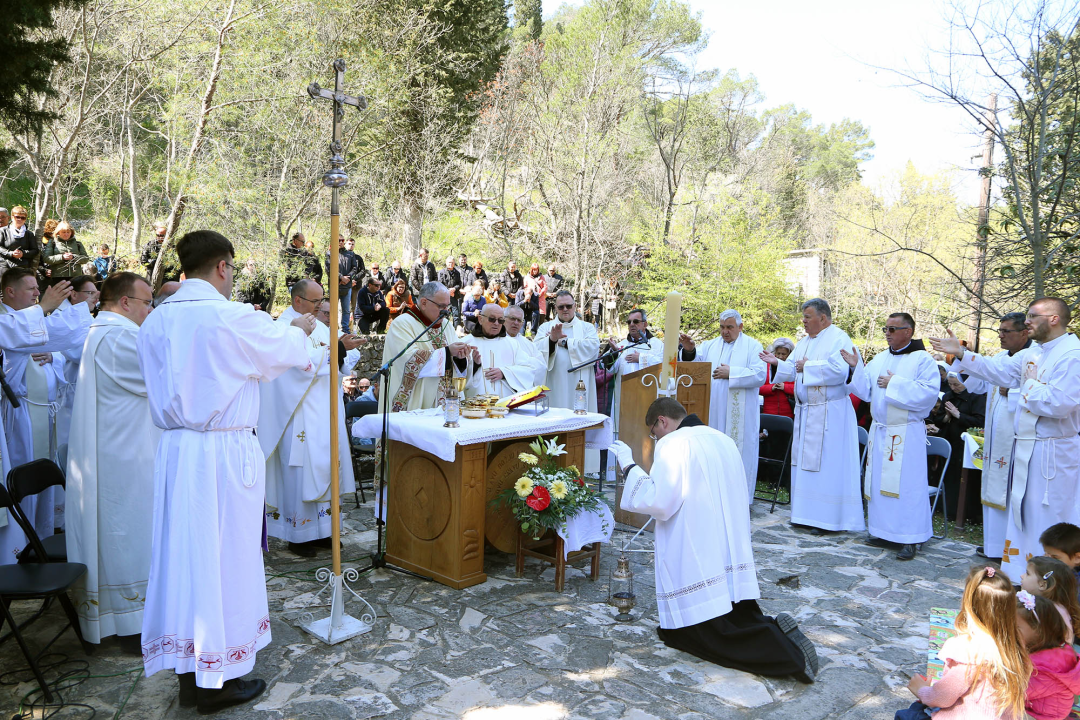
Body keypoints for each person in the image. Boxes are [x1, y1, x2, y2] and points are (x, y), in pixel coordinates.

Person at [136, 229, 318, 713]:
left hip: (176, 451)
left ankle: (189, 669)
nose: (233, 277)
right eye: (233, 269)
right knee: (225, 560)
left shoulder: (156, 320)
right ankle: (222, 675)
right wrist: (299, 327)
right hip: (221, 450)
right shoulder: (228, 315)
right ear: (222, 266)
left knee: (184, 559)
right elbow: (289, 353)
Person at [609, 398, 818, 682]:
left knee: (699, 631)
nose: (655, 439)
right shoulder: (722, 438)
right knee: (733, 608)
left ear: (662, 421)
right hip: (726, 540)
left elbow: (660, 502)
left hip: (694, 543)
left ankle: (787, 656)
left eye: (653, 433)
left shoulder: (674, 444)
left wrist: (629, 466)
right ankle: (772, 629)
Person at [930, 297, 1080, 567]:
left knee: (1048, 514)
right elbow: (997, 371)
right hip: (1028, 447)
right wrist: (962, 354)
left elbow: (1059, 403)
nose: (1028, 322)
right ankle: (1023, 573)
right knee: (1023, 511)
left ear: (1054, 319)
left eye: (1033, 316)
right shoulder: (1034, 353)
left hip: (1054, 452)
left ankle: (1052, 577)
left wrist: (1024, 388)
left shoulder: (1072, 354)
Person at [65, 272, 156, 651]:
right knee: (128, 534)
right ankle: (132, 623)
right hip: (123, 458)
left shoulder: (107, 331)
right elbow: (162, 379)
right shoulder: (118, 336)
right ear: (124, 302)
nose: (151, 310)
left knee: (128, 532)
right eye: (147, 302)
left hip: (123, 449)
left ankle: (131, 619)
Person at [259, 279, 364, 557]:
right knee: (302, 470)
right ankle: (299, 534)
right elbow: (300, 365)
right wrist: (338, 349)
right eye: (316, 302)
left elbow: (337, 364)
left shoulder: (319, 325)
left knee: (327, 467)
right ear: (297, 301)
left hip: (325, 410)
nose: (320, 307)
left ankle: (324, 531)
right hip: (300, 413)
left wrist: (344, 350)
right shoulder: (284, 327)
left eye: (321, 302)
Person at [0, 277, 87, 564]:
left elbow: (64, 343)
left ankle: (39, 537)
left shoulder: (29, 320)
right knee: (18, 470)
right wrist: (44, 307)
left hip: (37, 413)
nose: (37, 293)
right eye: (31, 289)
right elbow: (17, 338)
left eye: (38, 289)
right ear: (9, 291)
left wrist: (53, 355)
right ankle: (18, 545)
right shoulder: (9, 320)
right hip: (16, 414)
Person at [761, 298, 864, 534]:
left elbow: (840, 372)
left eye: (807, 317)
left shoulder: (839, 338)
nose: (804, 321)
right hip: (807, 411)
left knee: (827, 466)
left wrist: (808, 366)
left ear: (823, 318)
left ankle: (827, 519)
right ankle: (805, 514)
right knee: (804, 464)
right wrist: (777, 362)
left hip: (830, 413)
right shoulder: (804, 341)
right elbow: (794, 369)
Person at [843, 312, 938, 561]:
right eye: (885, 329)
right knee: (878, 484)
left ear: (908, 331)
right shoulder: (880, 358)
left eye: (892, 329)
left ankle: (910, 537)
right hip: (882, 429)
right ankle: (882, 531)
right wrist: (856, 366)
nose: (887, 333)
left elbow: (929, 395)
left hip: (906, 432)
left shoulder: (922, 360)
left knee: (907, 486)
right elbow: (865, 391)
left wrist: (895, 383)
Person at [894, 566, 1030, 720]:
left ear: (969, 603)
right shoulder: (1014, 642)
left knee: (907, 715)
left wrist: (921, 690)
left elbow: (943, 697)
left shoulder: (968, 649)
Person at [678, 310, 767, 502]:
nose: (725, 332)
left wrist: (732, 373)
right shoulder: (710, 345)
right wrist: (690, 349)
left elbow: (761, 375)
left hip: (739, 414)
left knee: (738, 451)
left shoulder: (753, 346)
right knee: (712, 451)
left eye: (730, 327)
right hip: (712, 410)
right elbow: (695, 363)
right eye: (722, 327)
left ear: (740, 327)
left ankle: (739, 500)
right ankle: (711, 496)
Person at [978, 312, 1031, 560]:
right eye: (999, 330)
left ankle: (1008, 548)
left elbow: (1035, 393)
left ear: (1024, 333)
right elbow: (979, 382)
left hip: (1015, 441)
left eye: (1006, 331)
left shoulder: (1031, 358)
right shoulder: (1000, 357)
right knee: (992, 485)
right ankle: (993, 545)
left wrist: (1012, 390)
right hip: (994, 437)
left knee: (1010, 493)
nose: (1000, 335)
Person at [380, 281, 475, 412]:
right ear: (424, 303)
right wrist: (447, 353)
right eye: (441, 306)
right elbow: (406, 360)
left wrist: (461, 356)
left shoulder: (446, 325)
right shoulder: (402, 324)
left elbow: (455, 362)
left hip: (447, 402)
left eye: (447, 306)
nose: (446, 312)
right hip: (418, 404)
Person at [927, 372, 986, 522]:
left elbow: (980, 422)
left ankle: (968, 513)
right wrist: (946, 416)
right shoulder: (947, 396)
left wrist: (958, 415)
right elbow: (940, 419)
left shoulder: (977, 396)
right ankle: (949, 509)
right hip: (951, 441)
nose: (953, 388)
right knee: (950, 476)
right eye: (951, 384)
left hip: (968, 445)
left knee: (967, 479)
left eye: (957, 385)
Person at [1015, 591, 1080, 720]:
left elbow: (1017, 691)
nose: (1010, 631)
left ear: (1039, 632)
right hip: (1039, 708)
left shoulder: (1044, 667)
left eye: (1016, 628)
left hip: (1044, 716)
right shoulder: (1051, 650)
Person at [535, 291, 599, 414]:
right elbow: (536, 353)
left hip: (580, 383)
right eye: (561, 307)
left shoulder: (587, 328)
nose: (565, 309)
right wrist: (551, 340)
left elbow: (593, 348)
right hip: (554, 383)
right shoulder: (545, 328)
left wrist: (565, 342)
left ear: (575, 306)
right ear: (555, 308)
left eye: (568, 306)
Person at [605, 308, 663, 434]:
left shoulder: (656, 344)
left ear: (645, 324)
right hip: (624, 400)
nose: (632, 325)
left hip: (646, 398)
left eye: (636, 321)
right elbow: (610, 370)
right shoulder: (622, 345)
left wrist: (641, 358)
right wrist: (614, 353)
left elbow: (663, 365)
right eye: (629, 322)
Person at [467, 304, 543, 398]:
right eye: (492, 319)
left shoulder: (513, 344)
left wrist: (504, 373)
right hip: (475, 408)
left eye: (500, 320)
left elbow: (528, 369)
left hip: (506, 406)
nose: (496, 323)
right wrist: (474, 366)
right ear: (480, 319)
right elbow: (456, 378)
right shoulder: (466, 343)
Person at [1022, 556, 1080, 645]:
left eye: (1027, 573)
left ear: (1042, 585)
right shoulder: (1058, 607)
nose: (1021, 576)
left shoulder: (1046, 611)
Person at [503, 305, 546, 387]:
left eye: (519, 320)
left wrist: (524, 362)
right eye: (512, 318)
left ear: (522, 323)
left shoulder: (529, 345)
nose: (516, 323)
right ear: (504, 319)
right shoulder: (496, 341)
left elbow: (542, 367)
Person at [330, 235, 363, 332]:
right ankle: (333, 328)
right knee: (333, 309)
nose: (340, 242)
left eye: (342, 240)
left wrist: (348, 278)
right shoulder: (330, 253)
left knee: (346, 309)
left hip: (347, 285)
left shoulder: (350, 254)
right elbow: (329, 268)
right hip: (335, 285)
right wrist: (340, 277)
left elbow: (355, 268)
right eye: (338, 240)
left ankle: (345, 328)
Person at [0, 206, 41, 280]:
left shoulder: (29, 234)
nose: (20, 219)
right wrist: (11, 253)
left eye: (23, 218)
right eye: (17, 217)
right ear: (12, 217)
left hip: (23, 267)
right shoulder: (3, 231)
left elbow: (35, 250)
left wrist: (23, 253)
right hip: (4, 266)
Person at [44, 221, 90, 285]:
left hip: (76, 277)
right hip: (58, 277)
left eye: (68, 232)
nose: (66, 234)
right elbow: (47, 258)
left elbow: (86, 259)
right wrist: (62, 257)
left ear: (71, 232)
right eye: (63, 232)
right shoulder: (52, 243)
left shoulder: (78, 244)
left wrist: (73, 257)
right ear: (58, 232)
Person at [760, 338, 795, 419]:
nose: (780, 357)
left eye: (783, 354)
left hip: (789, 414)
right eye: (778, 353)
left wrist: (785, 387)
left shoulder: (793, 369)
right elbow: (758, 388)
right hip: (769, 412)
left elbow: (799, 388)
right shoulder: (767, 367)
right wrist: (771, 388)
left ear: (790, 354)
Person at [437, 257, 463, 327]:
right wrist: (448, 290)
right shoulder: (442, 272)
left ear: (454, 263)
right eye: (449, 262)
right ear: (446, 263)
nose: (450, 264)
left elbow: (459, 284)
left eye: (452, 263)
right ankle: (444, 328)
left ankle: (455, 329)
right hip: (444, 295)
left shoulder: (457, 272)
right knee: (445, 312)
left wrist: (454, 289)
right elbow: (440, 283)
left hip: (454, 295)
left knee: (456, 313)